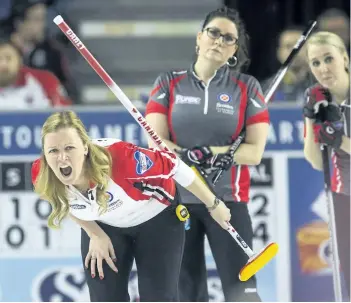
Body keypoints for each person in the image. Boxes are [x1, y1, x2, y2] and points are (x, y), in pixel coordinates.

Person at [31, 110, 232, 302]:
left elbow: (176, 167)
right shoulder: (42, 175)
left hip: (157, 219)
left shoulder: (124, 161)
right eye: (53, 151)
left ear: (85, 147)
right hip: (106, 224)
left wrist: (213, 204)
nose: (62, 157)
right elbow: (65, 203)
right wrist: (95, 234)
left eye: (69, 148)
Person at [145, 7, 270, 302]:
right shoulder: (168, 83)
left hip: (228, 201)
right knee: (186, 292)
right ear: (199, 38)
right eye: (214, 33)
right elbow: (155, 144)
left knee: (243, 294)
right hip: (178, 201)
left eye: (228, 38)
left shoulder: (247, 87)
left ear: (234, 50)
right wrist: (186, 156)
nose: (219, 41)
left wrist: (211, 153)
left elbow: (253, 152)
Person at [303, 31, 350, 298]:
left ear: (344, 58)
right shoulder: (321, 102)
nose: (323, 68)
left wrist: (339, 140)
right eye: (315, 62)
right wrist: (311, 117)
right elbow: (314, 160)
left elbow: (337, 141)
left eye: (328, 59)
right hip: (345, 199)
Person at [0, 33, 71, 108]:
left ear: (20, 60)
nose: (3, 64)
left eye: (8, 58)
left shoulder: (45, 80)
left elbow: (65, 113)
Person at [261, 26, 310, 104]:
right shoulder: (266, 89)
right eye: (288, 46)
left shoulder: (324, 85)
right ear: (279, 52)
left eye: (300, 45)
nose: (294, 50)